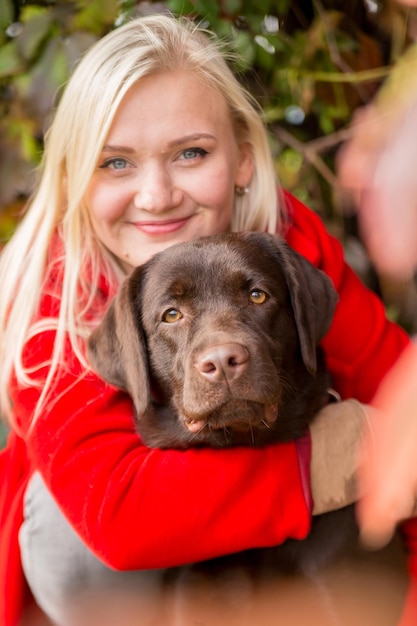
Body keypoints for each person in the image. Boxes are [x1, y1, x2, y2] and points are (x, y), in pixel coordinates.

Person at [0, 13, 410, 626]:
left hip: (299, 555)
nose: (158, 194)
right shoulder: (49, 300)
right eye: (116, 163)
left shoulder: (284, 244)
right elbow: (121, 521)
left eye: (190, 152)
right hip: (114, 566)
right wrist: (333, 456)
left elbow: (401, 394)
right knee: (68, 537)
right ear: (76, 181)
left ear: (243, 159)